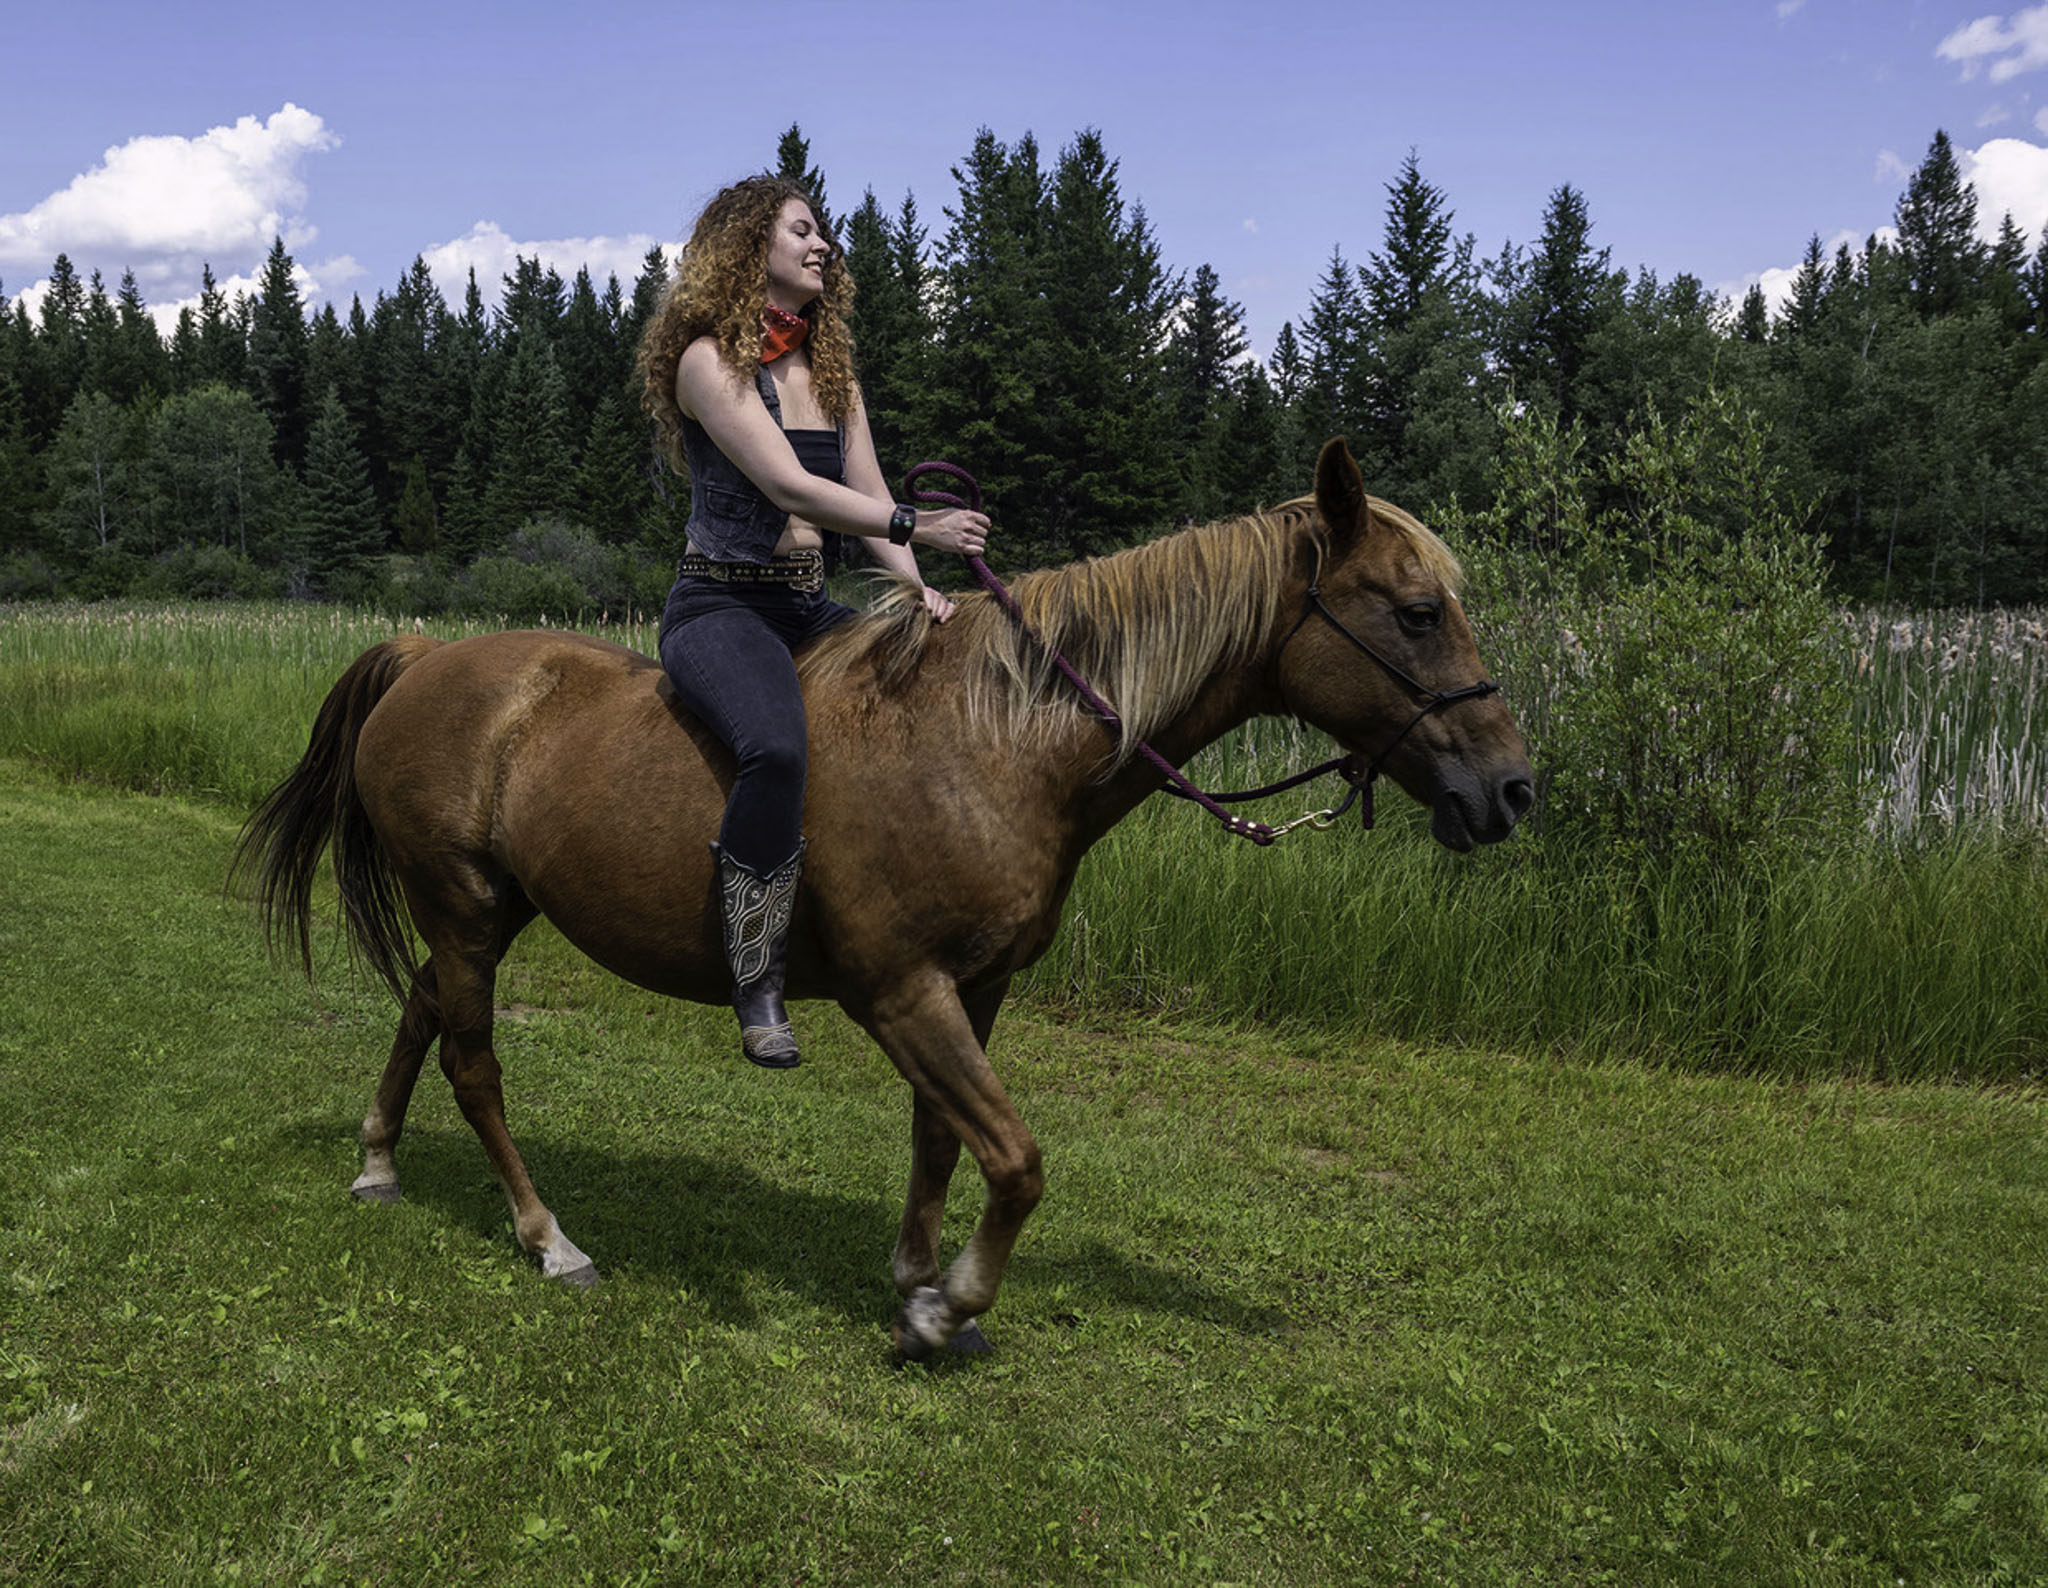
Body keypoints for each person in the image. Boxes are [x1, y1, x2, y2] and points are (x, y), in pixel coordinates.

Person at [637, 175, 991, 1070]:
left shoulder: (831, 373)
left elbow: (868, 493)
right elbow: (792, 487)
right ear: (748, 246)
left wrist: (917, 592)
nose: (822, 244)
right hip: (720, 604)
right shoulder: (707, 362)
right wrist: (920, 526)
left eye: (821, 232)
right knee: (776, 748)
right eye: (801, 230)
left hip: (805, 602)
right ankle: (757, 974)